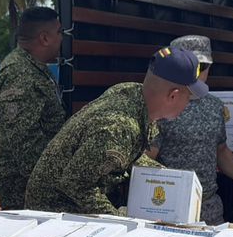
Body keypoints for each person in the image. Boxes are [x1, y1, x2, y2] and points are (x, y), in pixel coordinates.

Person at [25, 46, 203, 215]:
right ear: (173, 95)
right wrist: (123, 221)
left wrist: (172, 179)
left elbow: (130, 155)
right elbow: (76, 185)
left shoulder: (134, 95)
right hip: (53, 215)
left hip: (71, 205)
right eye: (189, 98)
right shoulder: (119, 128)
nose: (188, 105)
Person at [151, 35, 233, 223]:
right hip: (170, 208)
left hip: (209, 209)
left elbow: (220, 150)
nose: (197, 73)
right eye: (191, 67)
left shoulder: (214, 106)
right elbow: (147, 160)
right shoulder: (162, 105)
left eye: (201, 67)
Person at [0, 6, 66, 209]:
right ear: (44, 38)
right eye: (59, 33)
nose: (62, 39)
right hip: (20, 191)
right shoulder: (19, 73)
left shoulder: (34, 68)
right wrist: (58, 182)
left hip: (32, 186)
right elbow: (24, 144)